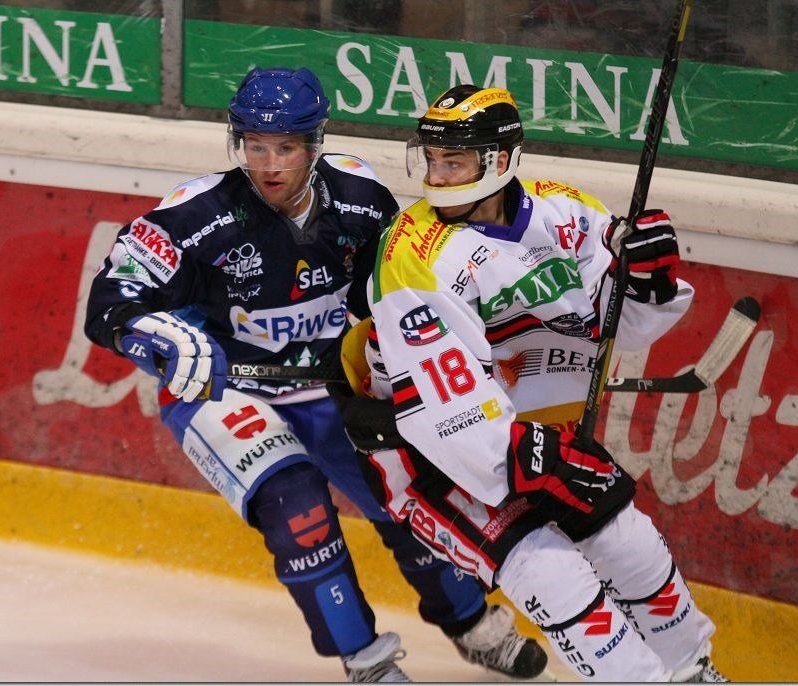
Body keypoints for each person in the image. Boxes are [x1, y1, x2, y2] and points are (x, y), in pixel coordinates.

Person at [83, 67, 547, 682]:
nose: (270, 165)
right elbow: (111, 299)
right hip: (224, 389)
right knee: (297, 505)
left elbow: (396, 294)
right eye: (255, 146)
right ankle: (365, 660)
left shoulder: (361, 199)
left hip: (329, 384)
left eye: (286, 147)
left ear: (315, 144)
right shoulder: (196, 214)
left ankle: (469, 622)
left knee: (405, 493)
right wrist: (148, 332)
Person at [330, 84, 729, 682]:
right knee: (553, 577)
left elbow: (617, 323)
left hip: (529, 434)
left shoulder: (564, 212)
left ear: (500, 160)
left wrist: (646, 280)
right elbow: (449, 411)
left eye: (454, 162)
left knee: (630, 545)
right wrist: (532, 452)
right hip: (427, 457)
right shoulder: (413, 253)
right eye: (432, 160)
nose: (436, 178)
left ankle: (692, 670)